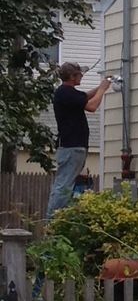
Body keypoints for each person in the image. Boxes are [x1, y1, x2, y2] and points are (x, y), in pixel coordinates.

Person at [45, 62, 111, 220]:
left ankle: (58, 219)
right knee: (64, 185)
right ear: (72, 76)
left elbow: (84, 97)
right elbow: (92, 106)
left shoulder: (68, 93)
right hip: (71, 147)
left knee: (65, 184)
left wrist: (103, 86)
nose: (82, 76)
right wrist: (102, 90)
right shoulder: (65, 93)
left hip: (72, 147)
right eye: (79, 74)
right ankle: (53, 221)